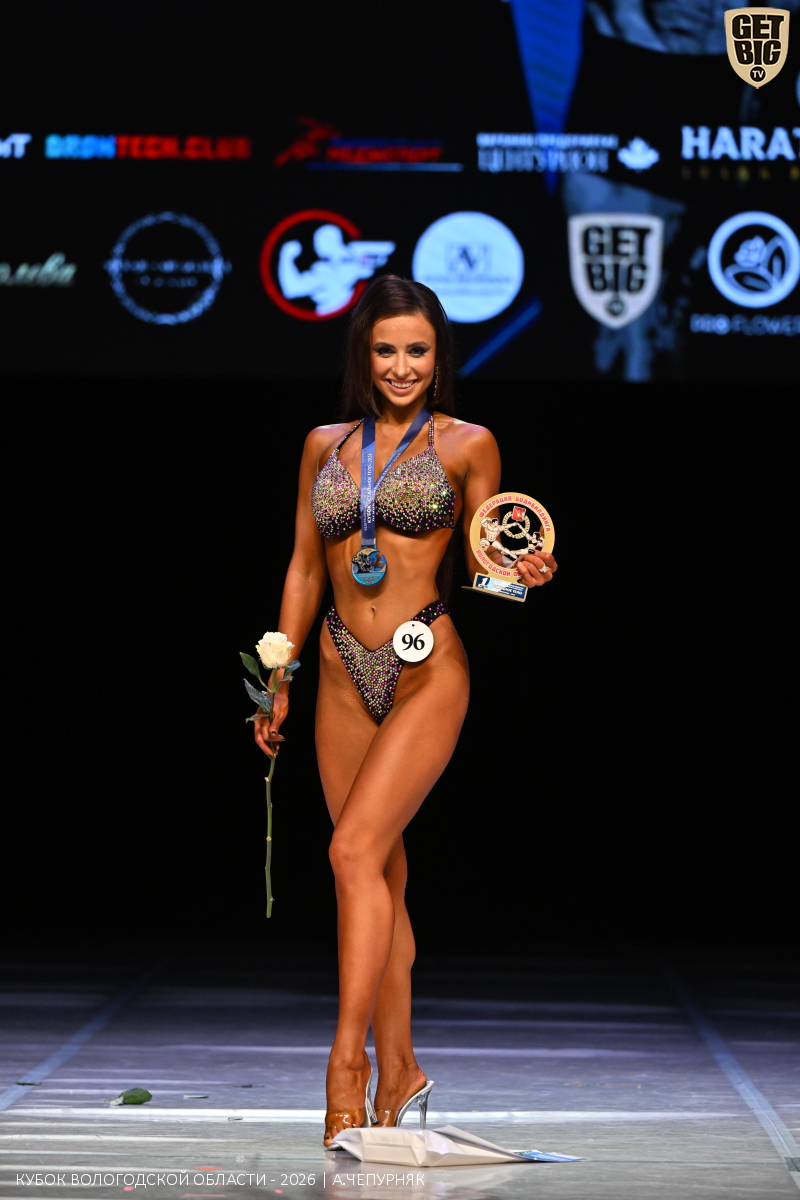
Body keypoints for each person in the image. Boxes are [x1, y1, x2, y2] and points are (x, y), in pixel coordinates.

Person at [253, 276, 557, 1146]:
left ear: (438, 356)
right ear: (363, 354)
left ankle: (345, 1064)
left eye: (417, 351)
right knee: (377, 875)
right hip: (338, 669)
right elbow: (304, 566)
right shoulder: (324, 446)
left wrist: (523, 577)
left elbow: (487, 566)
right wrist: (279, 672)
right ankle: (403, 1070)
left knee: (350, 850)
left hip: (427, 665)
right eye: (385, 350)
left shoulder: (468, 443)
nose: (400, 366)